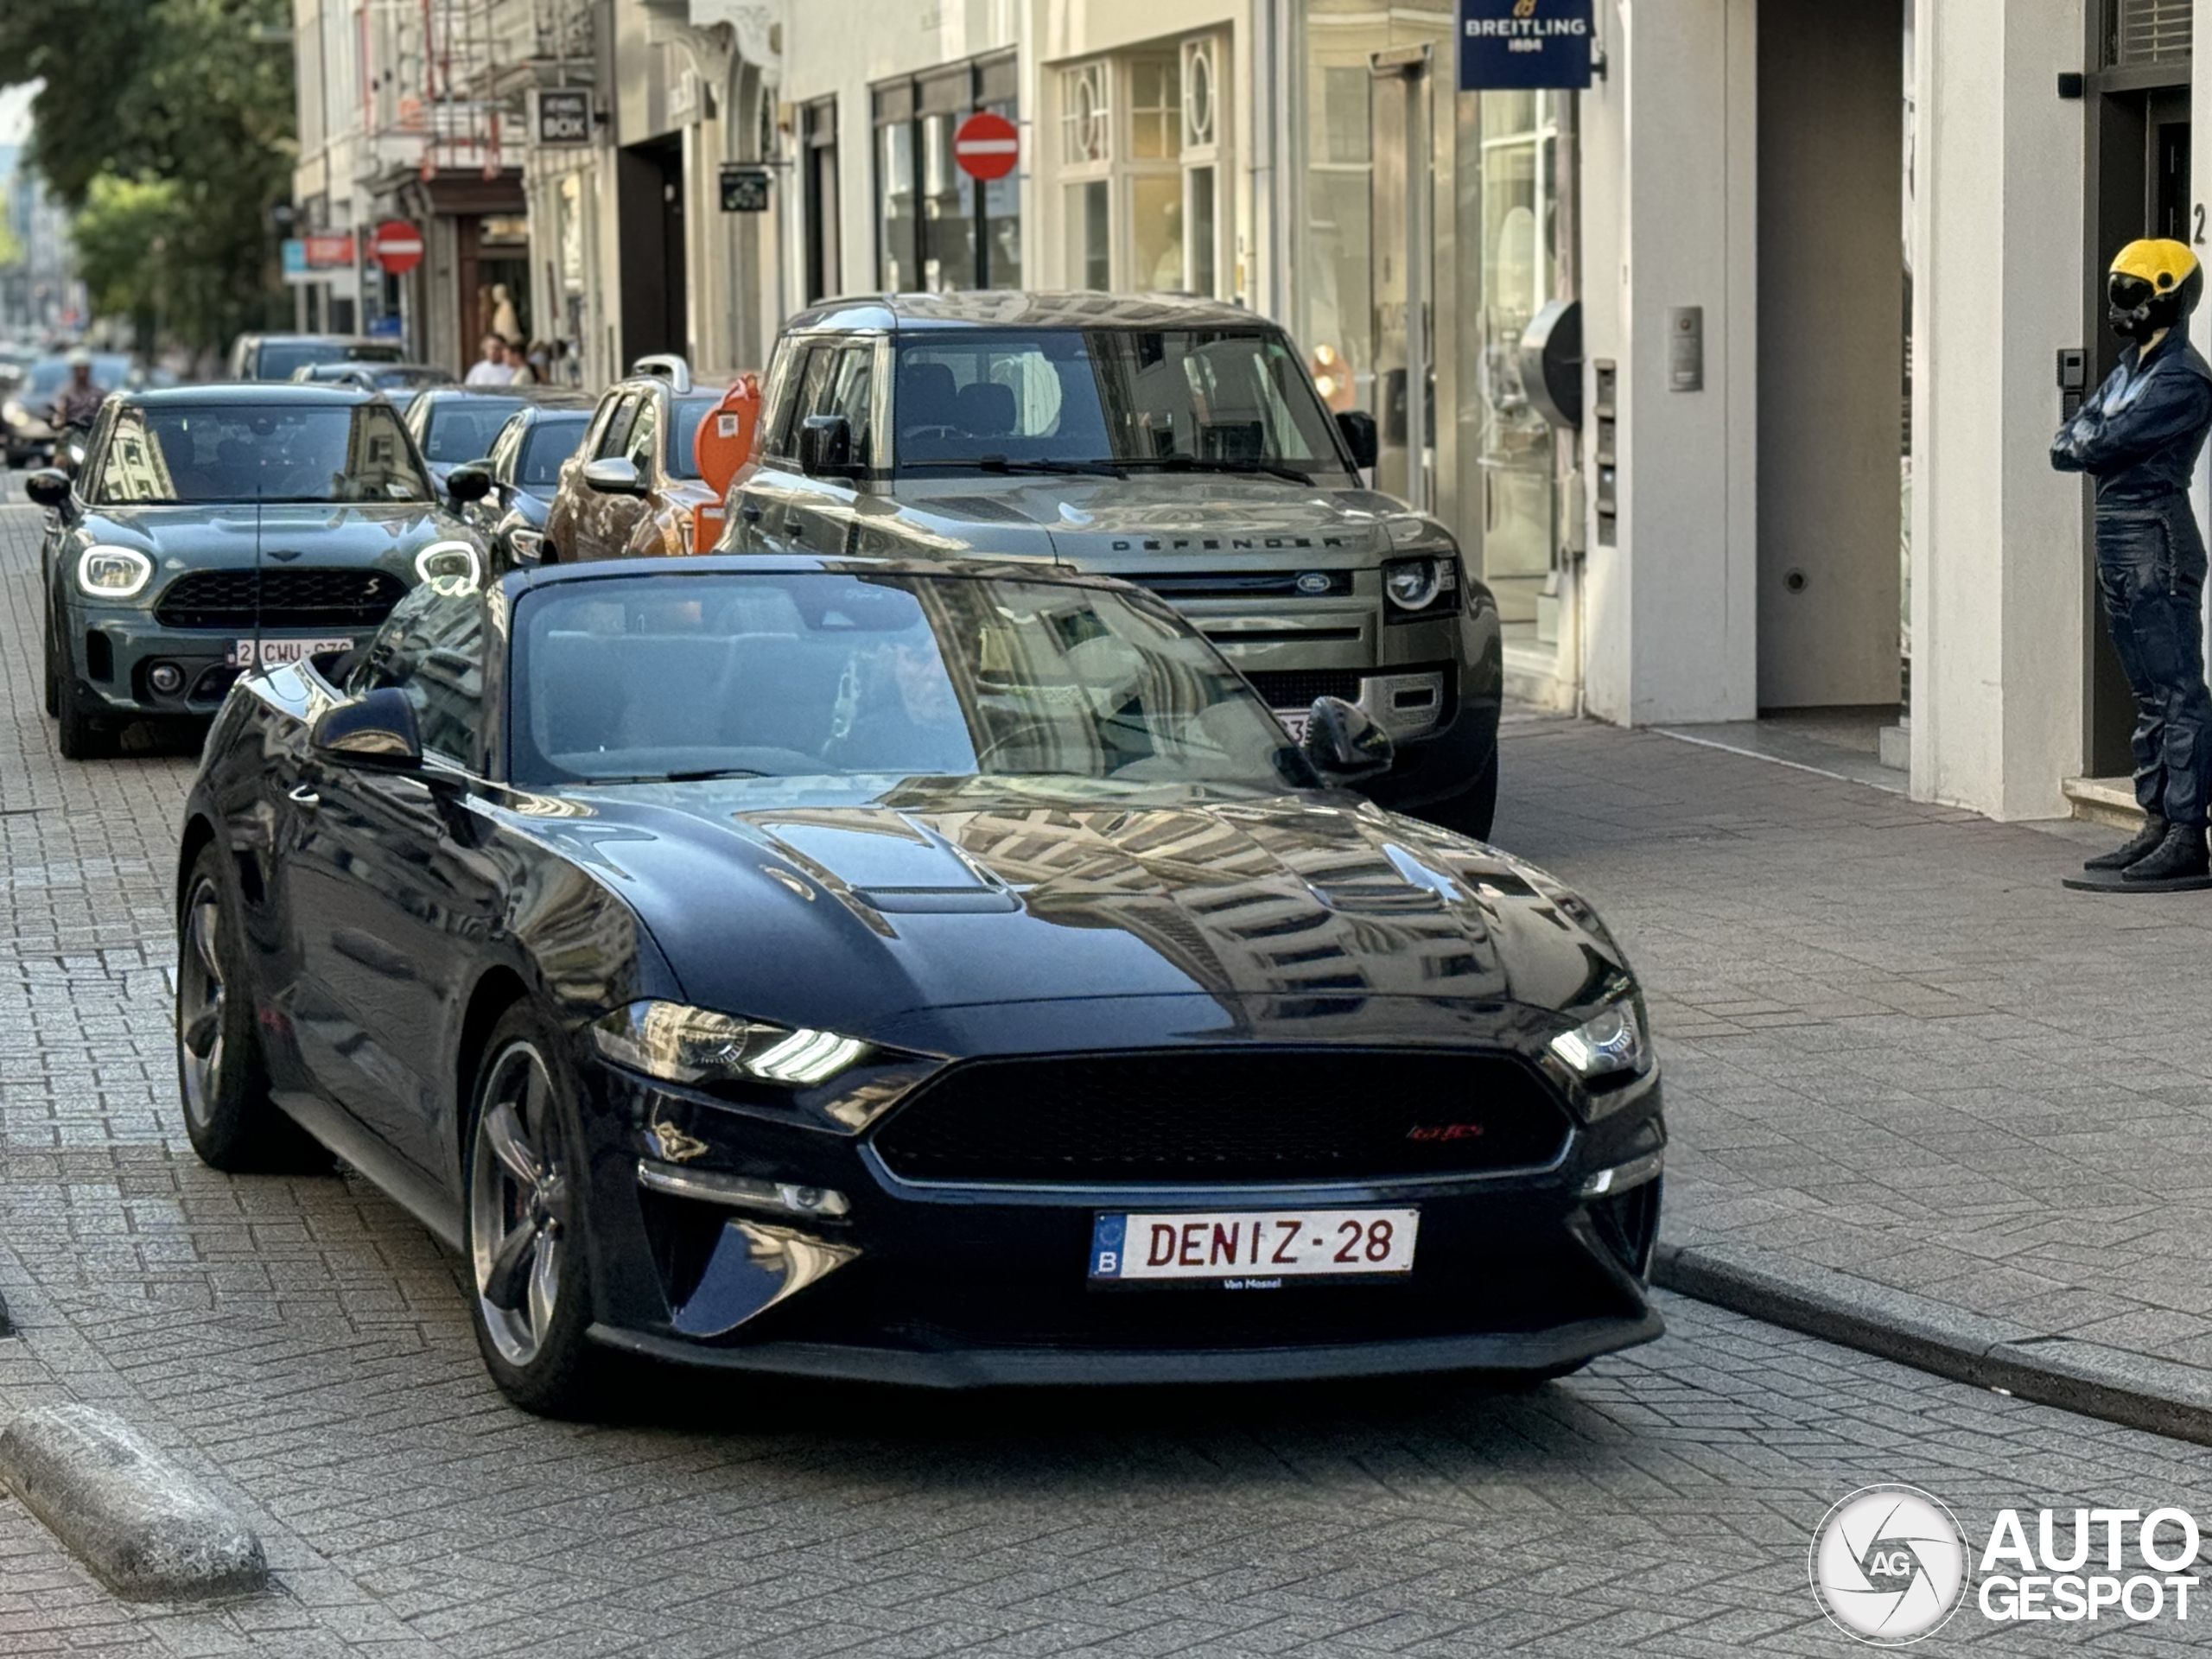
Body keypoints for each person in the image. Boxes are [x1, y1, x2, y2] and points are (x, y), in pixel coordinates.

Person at [2053, 237, 2212, 887]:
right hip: (2120, 533)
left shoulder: (2180, 377)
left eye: (2133, 293)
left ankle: (2185, 831)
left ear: (2168, 298)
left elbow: (2102, 438)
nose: (2121, 306)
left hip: (2154, 536)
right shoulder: (2128, 371)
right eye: (2118, 290)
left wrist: (2089, 439)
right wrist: (2088, 439)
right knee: (2147, 693)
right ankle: (2155, 820)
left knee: (2176, 690)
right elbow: (2067, 445)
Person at [50, 346, 106, 429]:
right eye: (78, 369)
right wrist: (58, 422)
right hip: (72, 435)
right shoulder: (65, 392)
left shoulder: (99, 393)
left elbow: (107, 416)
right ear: (73, 370)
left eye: (85, 369)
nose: (82, 373)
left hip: (94, 434)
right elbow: (59, 413)